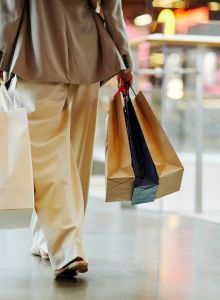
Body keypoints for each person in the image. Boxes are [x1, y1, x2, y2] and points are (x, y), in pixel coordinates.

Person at [0, 0, 133, 279]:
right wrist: (124, 57)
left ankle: (66, 246)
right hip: (88, 54)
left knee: (46, 157)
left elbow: (11, 7)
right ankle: (53, 241)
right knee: (77, 157)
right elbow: (112, 6)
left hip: (36, 52)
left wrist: (1, 51)